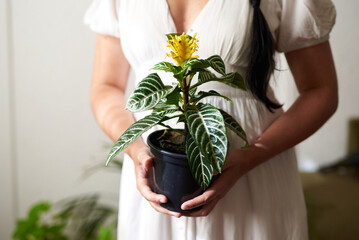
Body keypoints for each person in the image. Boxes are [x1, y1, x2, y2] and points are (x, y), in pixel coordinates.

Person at [84, 0, 337, 239]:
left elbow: (320, 90)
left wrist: (253, 154)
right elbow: (106, 86)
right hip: (154, 173)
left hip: (251, 173)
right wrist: (137, 151)